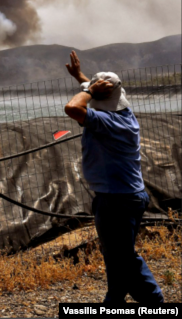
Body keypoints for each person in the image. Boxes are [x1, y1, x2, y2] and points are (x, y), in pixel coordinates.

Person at [64, 51, 164, 304]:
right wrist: (81, 78)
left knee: (123, 258)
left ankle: (156, 304)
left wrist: (89, 92)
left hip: (117, 200)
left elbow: (72, 107)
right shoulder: (123, 114)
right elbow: (98, 93)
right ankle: (114, 301)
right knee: (115, 254)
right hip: (124, 196)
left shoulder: (108, 122)